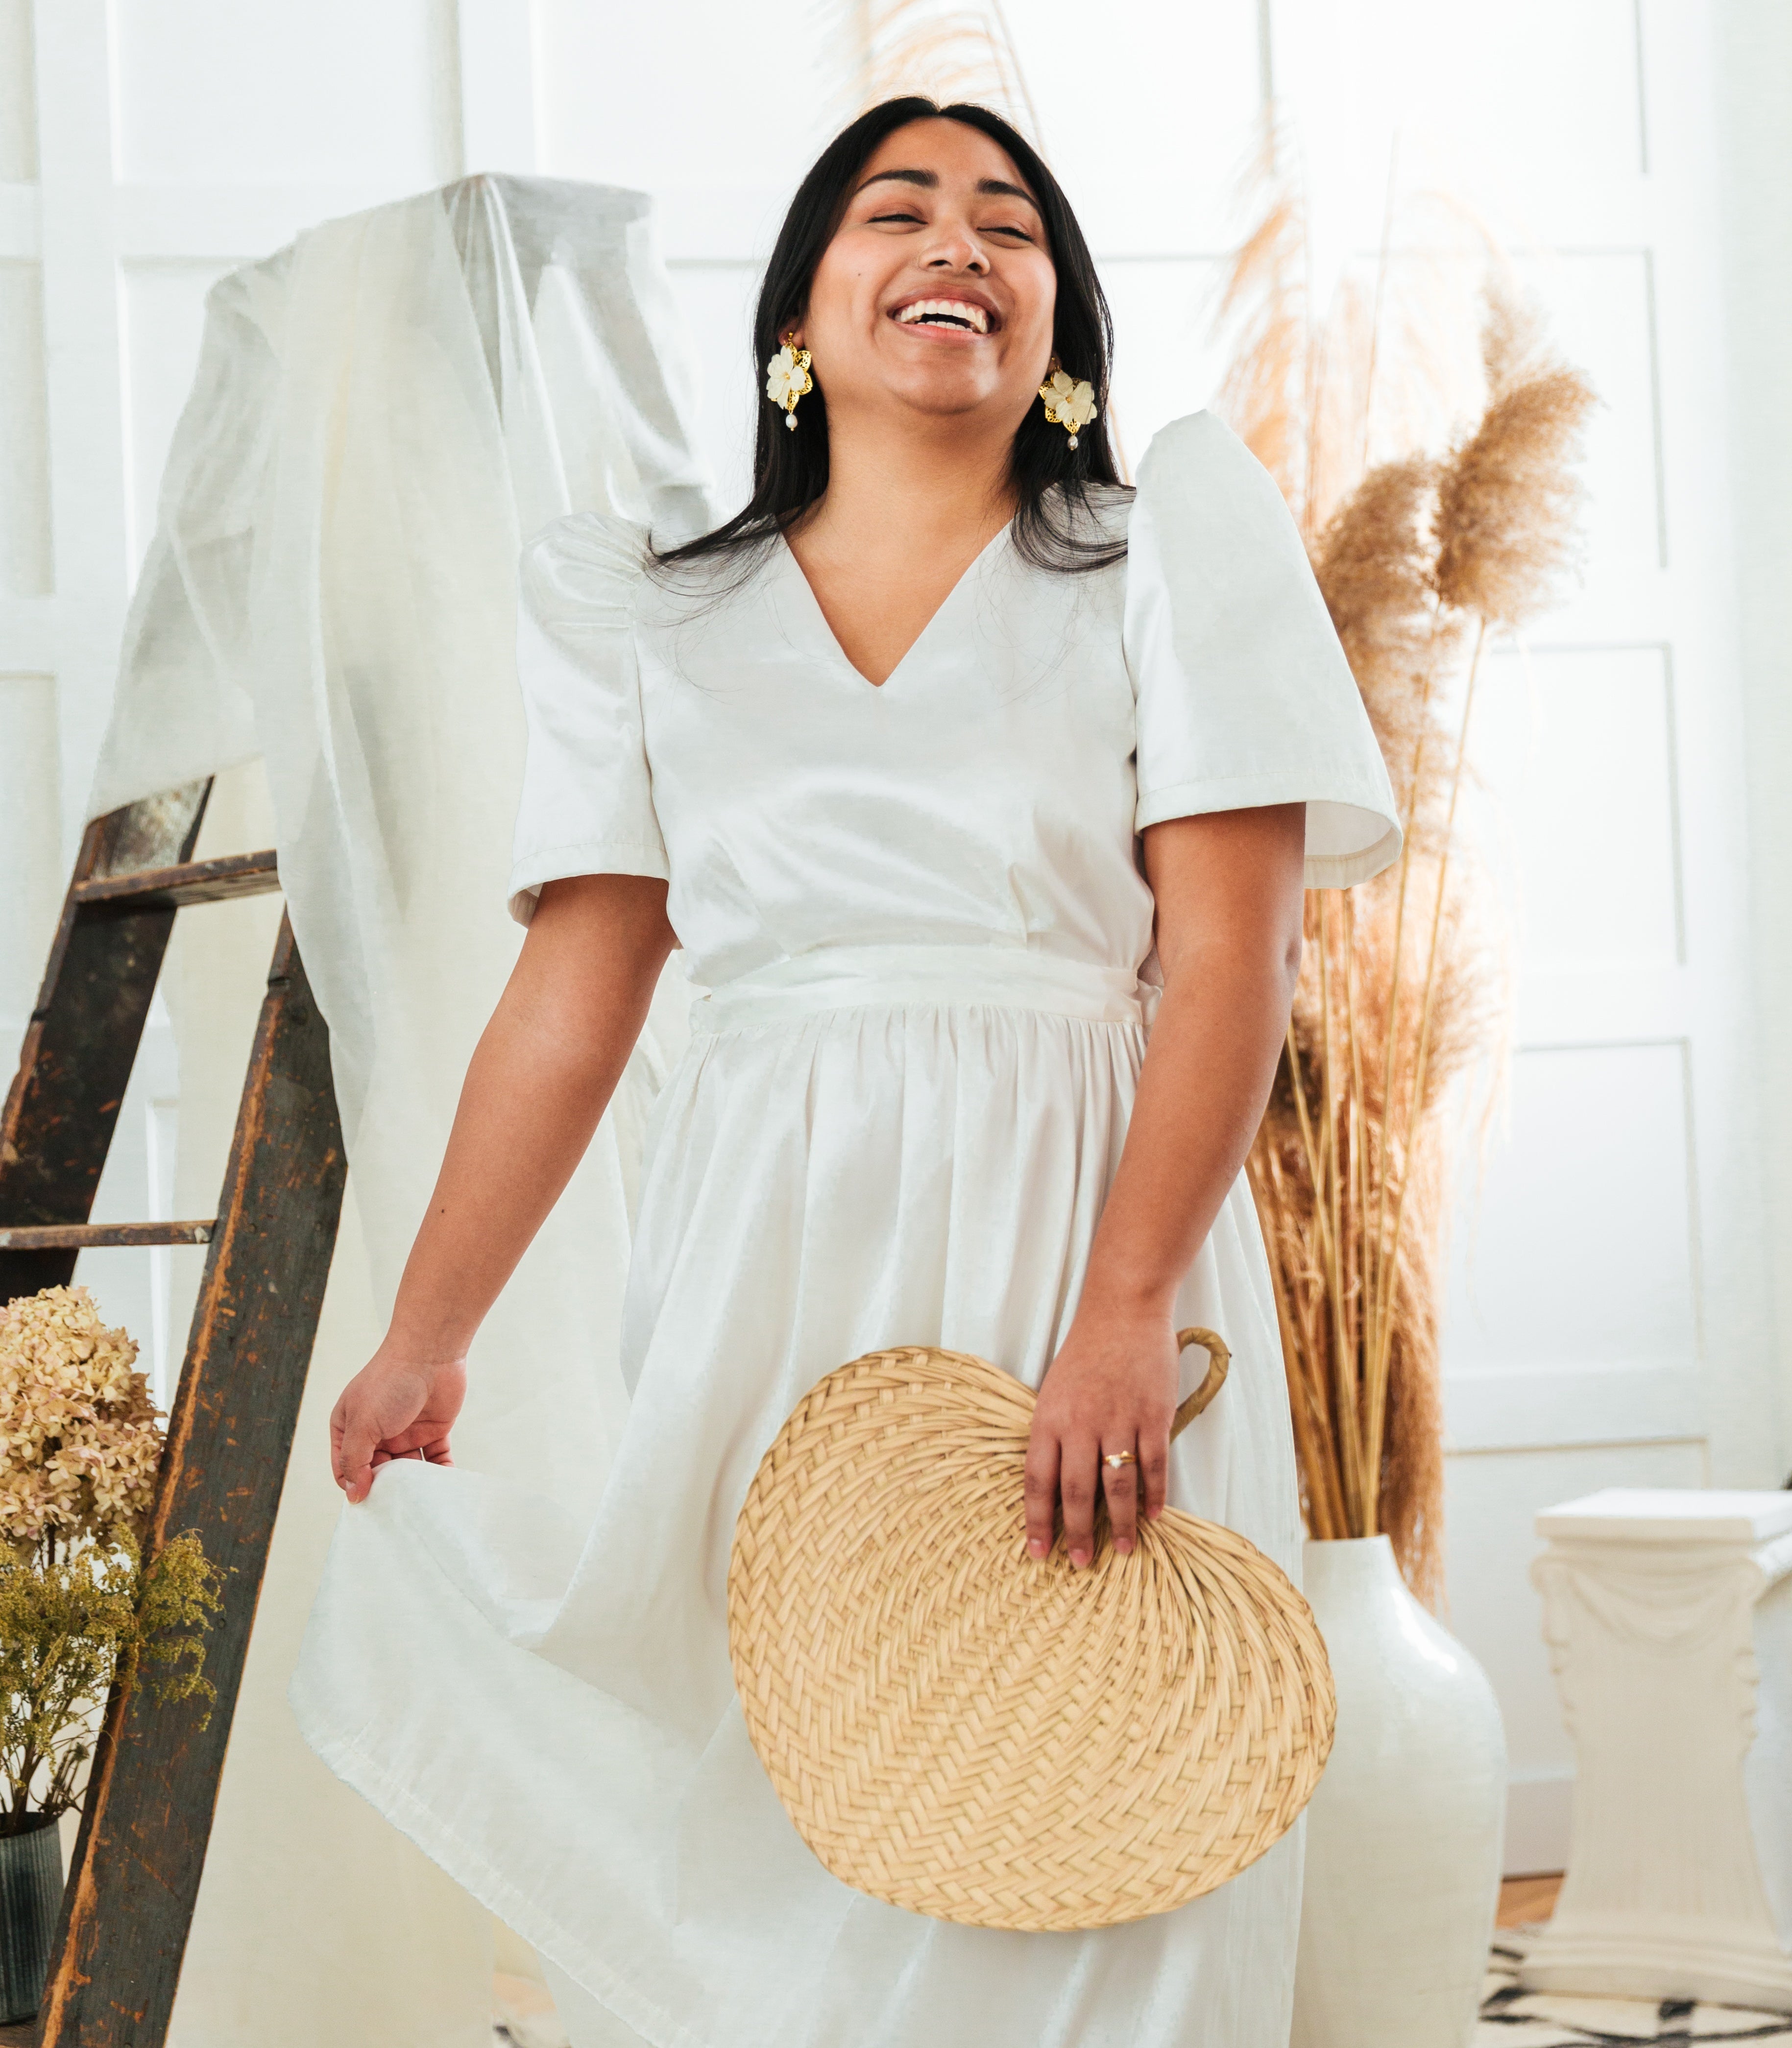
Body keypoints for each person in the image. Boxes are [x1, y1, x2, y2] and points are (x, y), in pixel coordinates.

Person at [293, 96, 1400, 2048]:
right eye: (899, 210)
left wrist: (1128, 1308)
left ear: (1058, 324)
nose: (960, 241)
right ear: (799, 316)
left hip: (1084, 1232)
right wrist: (427, 1325)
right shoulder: (650, 600)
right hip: (766, 1281)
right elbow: (577, 986)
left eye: (1011, 222)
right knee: (800, 1794)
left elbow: (1238, 959)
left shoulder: (1170, 549)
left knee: (1096, 1794)